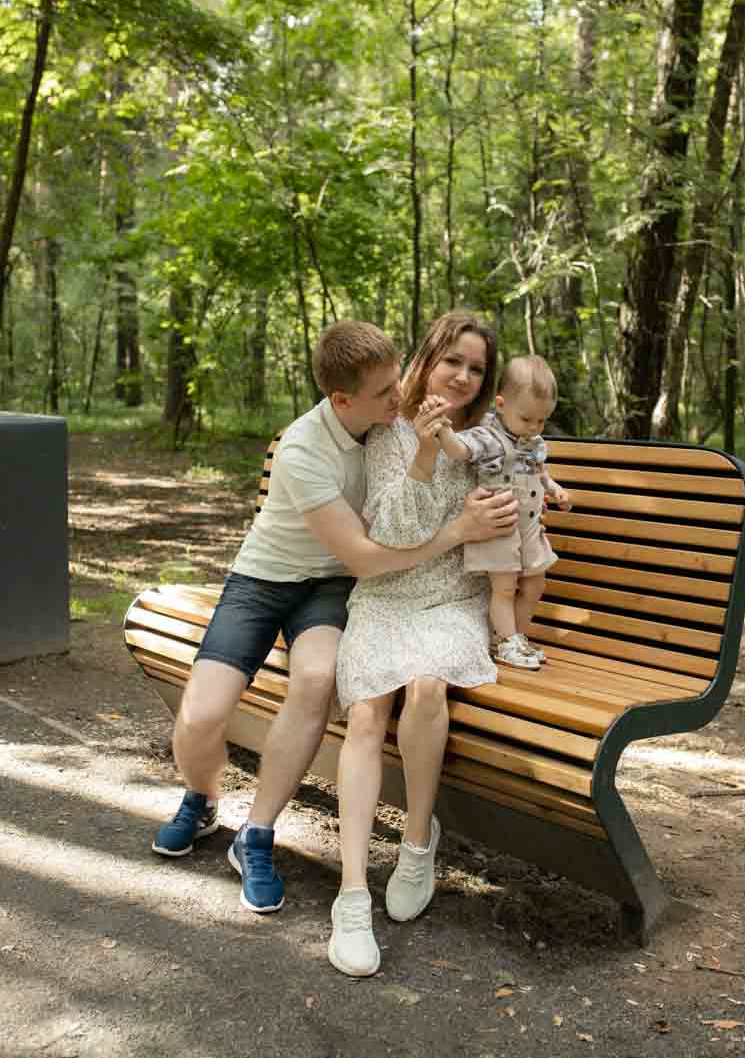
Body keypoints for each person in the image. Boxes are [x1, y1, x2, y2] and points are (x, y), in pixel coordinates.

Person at [151, 319, 518, 919]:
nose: (398, 396)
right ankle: (202, 794)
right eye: (385, 391)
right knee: (202, 715)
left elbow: (493, 468)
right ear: (343, 399)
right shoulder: (306, 451)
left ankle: (257, 834)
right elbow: (368, 555)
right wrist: (455, 528)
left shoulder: (396, 425)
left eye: (399, 380)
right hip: (267, 581)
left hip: (330, 587)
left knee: (319, 680)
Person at [328, 311, 503, 978]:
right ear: (428, 358)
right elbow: (393, 538)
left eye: (476, 367)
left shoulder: (487, 441)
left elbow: (516, 498)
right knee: (369, 709)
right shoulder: (387, 432)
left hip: (453, 597)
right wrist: (427, 452)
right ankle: (351, 893)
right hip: (385, 592)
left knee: (427, 686)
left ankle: (415, 842)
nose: (461, 375)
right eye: (451, 360)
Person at [436, 353, 571, 670]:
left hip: (530, 527)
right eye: (526, 419)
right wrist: (443, 430)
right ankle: (507, 641)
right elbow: (459, 451)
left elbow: (540, 472)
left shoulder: (533, 441)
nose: (534, 427)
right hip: (499, 525)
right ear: (501, 405)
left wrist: (554, 489)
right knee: (505, 587)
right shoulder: (488, 437)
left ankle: (515, 639)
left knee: (536, 583)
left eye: (541, 421)